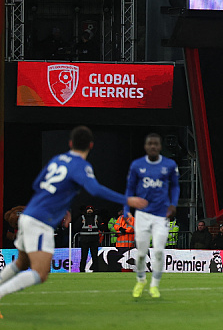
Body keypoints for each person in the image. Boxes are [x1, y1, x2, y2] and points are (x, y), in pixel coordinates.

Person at [0, 126, 147, 317]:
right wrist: (127, 200)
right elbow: (95, 190)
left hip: (29, 215)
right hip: (40, 222)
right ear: (91, 145)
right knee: (40, 273)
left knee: (21, 262)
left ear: (70, 143)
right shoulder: (81, 165)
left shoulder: (57, 160)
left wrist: (62, 209)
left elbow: (38, 185)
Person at [126, 133, 180, 299]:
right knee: (141, 253)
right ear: (146, 146)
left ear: (160, 146)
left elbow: (175, 187)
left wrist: (173, 204)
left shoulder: (169, 165)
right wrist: (126, 208)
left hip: (161, 215)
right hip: (142, 215)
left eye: (156, 144)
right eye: (150, 144)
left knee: (158, 251)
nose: (153, 146)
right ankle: (141, 280)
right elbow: (129, 188)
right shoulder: (137, 165)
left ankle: (154, 285)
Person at [78, 205, 102, 272]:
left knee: (95, 256)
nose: (90, 210)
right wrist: (81, 223)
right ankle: (82, 270)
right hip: (84, 241)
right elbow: (76, 228)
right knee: (84, 256)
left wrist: (98, 224)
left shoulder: (97, 218)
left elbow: (103, 227)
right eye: (88, 209)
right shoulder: (82, 218)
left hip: (94, 240)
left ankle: (96, 270)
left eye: (91, 209)